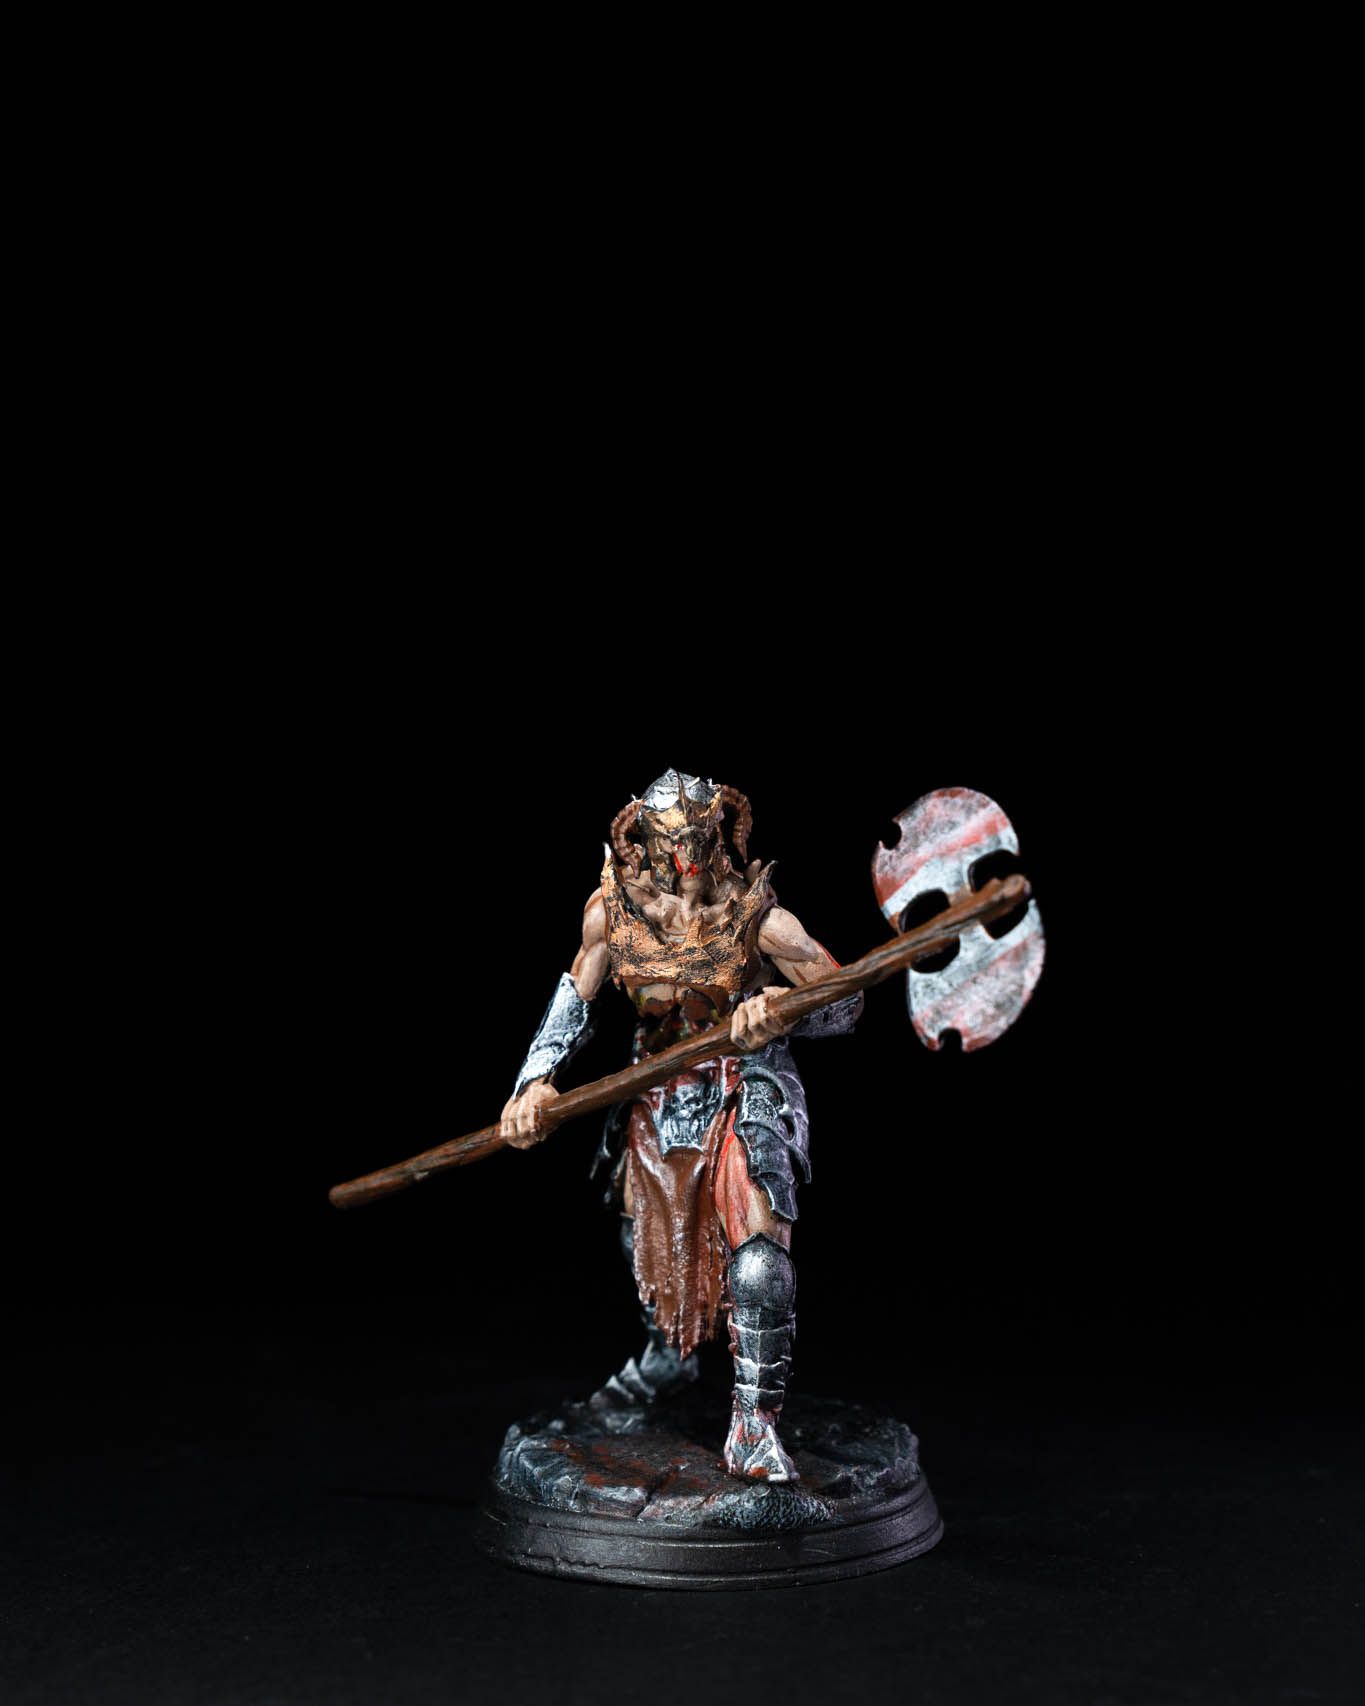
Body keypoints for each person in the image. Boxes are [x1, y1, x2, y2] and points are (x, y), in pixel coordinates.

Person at [499, 770, 860, 1482]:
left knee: (758, 1249)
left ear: (719, 833)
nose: (688, 857)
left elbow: (845, 1005)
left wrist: (777, 1013)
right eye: (673, 841)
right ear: (644, 840)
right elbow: (576, 996)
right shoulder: (613, 913)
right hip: (657, 1087)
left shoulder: (759, 921)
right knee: (651, 1239)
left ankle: (754, 1424)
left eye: (699, 838)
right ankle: (667, 1358)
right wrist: (534, 1081)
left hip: (742, 1082)